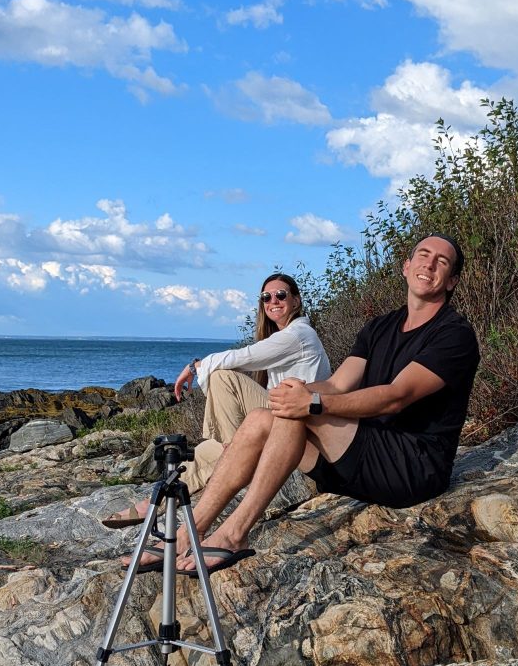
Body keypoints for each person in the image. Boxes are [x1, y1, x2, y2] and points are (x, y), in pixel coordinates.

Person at [166, 233, 479, 576]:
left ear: (452, 281)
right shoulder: (379, 327)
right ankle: (187, 533)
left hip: (411, 467)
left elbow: (395, 396)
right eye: (422, 254)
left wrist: (311, 402)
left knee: (301, 409)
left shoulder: (454, 335)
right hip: (361, 459)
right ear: (406, 267)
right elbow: (336, 384)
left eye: (442, 261)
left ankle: (234, 534)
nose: (429, 264)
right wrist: (294, 392)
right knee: (261, 417)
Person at [103, 273, 330, 539]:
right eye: (266, 297)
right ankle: (157, 502)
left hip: (302, 425)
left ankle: (230, 452)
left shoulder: (299, 334)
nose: (273, 301)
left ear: (296, 300)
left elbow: (244, 357)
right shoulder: (285, 336)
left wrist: (195, 366)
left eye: (281, 295)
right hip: (284, 418)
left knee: (223, 376)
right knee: (204, 450)